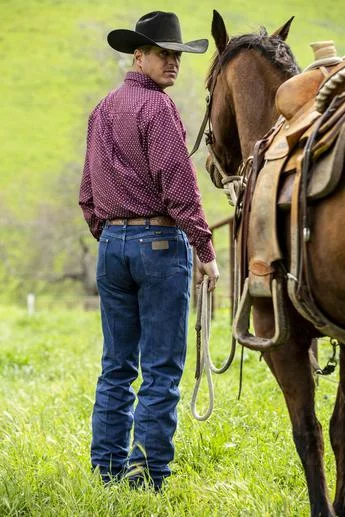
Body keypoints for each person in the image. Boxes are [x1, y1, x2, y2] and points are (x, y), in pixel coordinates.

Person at [79, 10, 219, 490]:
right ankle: (148, 475)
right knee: (161, 367)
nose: (173, 63)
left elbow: (86, 194)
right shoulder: (158, 109)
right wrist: (204, 247)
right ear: (137, 56)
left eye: (177, 55)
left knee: (116, 366)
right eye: (164, 54)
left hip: (111, 246)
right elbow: (179, 186)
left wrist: (114, 236)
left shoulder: (102, 109)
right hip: (160, 245)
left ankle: (107, 469)